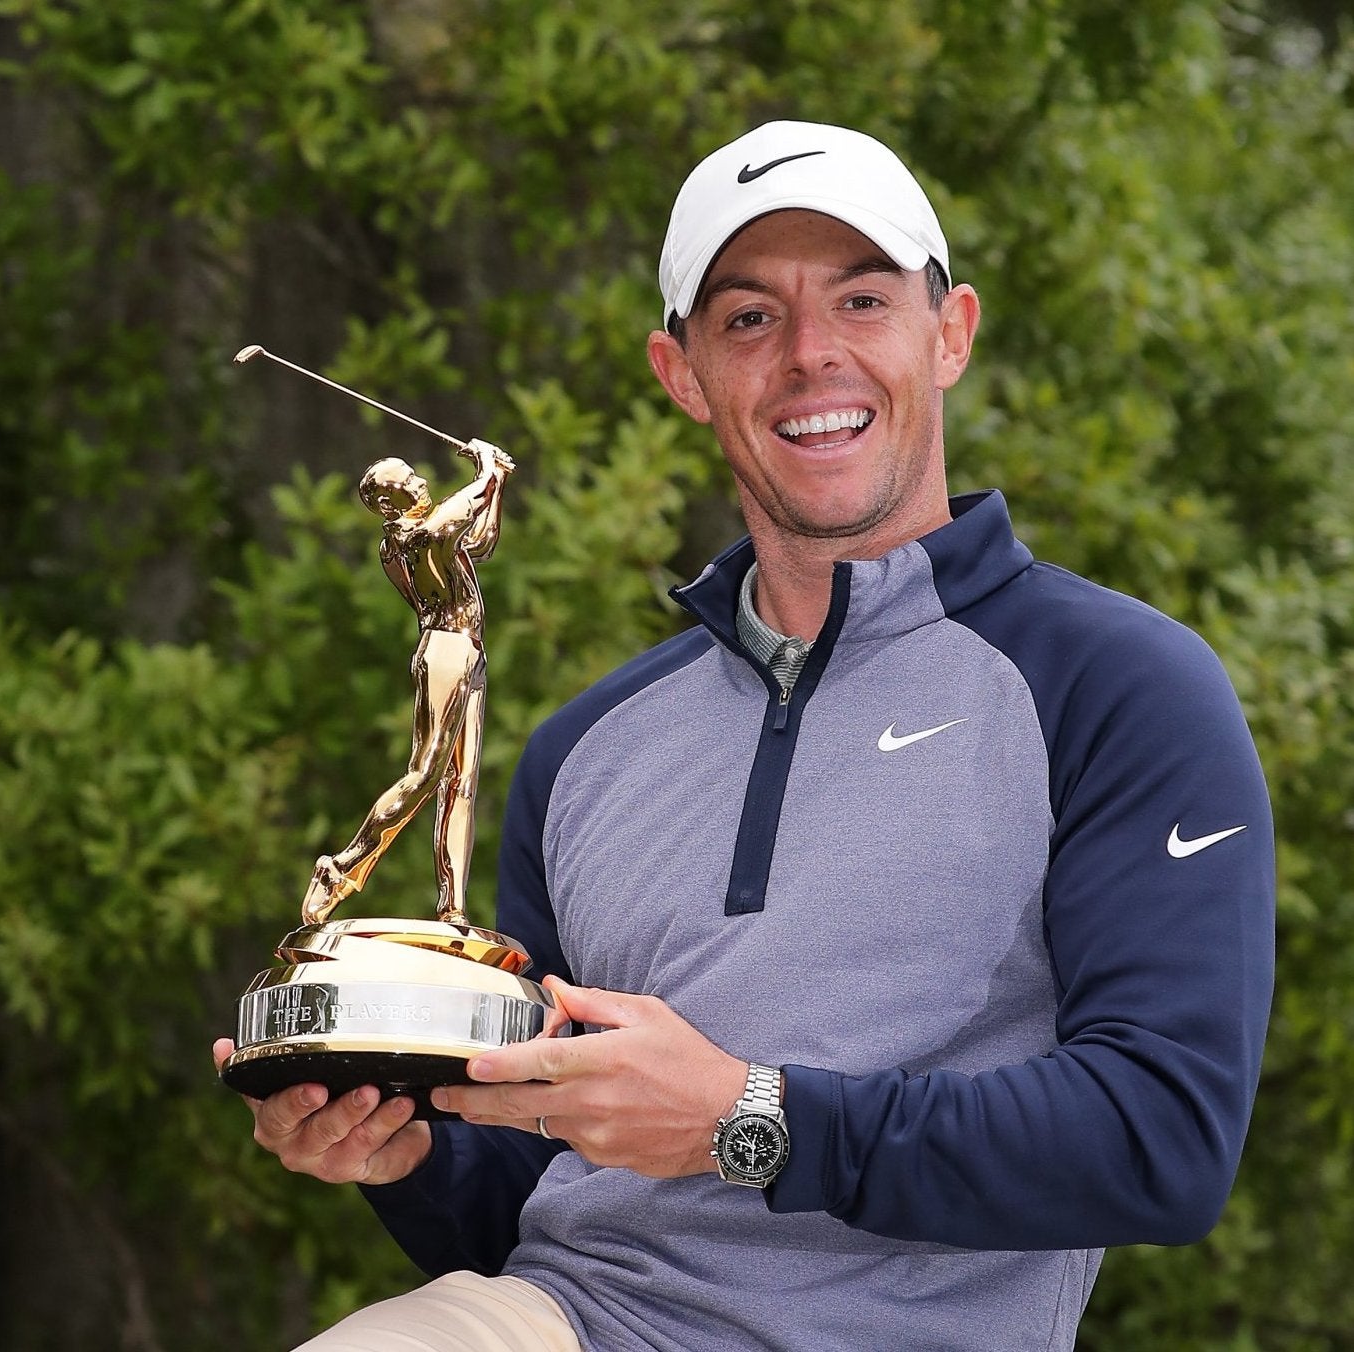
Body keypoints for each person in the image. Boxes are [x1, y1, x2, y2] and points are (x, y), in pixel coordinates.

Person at [213, 120, 1276, 1351]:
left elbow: (1166, 1137)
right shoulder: (584, 750)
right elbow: (523, 1196)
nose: (813, 356)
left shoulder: (1118, 684)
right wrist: (395, 1155)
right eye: (750, 319)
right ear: (682, 372)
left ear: (952, 335)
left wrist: (747, 1116)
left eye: (863, 299)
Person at [301, 438, 516, 928]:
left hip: (469, 651)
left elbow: (480, 542)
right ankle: (343, 868)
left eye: (417, 476)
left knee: (461, 785)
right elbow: (460, 512)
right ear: (385, 503)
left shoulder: (429, 533)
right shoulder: (407, 540)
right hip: (444, 651)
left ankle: (454, 907)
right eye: (409, 482)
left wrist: (497, 480)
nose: (421, 482)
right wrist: (485, 464)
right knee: (425, 773)